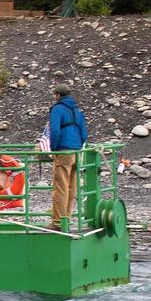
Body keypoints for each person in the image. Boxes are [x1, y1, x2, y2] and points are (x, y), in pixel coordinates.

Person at [46, 83, 88, 229]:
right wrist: (78, 145)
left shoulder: (57, 109)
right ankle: (67, 219)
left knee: (61, 187)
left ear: (58, 95)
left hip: (64, 151)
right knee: (71, 186)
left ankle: (58, 222)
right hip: (77, 152)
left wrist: (54, 149)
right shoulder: (77, 110)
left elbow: (55, 131)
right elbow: (84, 133)